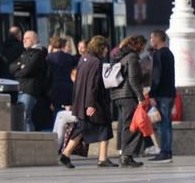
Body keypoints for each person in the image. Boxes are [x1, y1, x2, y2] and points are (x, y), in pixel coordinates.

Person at [65, 35, 114, 167]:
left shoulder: (83, 59)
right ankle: (102, 159)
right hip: (94, 101)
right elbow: (93, 84)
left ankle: (66, 154)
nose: (106, 51)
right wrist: (91, 104)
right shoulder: (96, 62)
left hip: (81, 101)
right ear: (100, 48)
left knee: (82, 128)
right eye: (105, 48)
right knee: (105, 126)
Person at [110, 34, 150, 167]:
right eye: (143, 45)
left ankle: (125, 155)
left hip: (118, 95)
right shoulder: (132, 57)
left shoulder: (120, 56)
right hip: (128, 96)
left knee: (125, 125)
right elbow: (133, 79)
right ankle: (126, 157)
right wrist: (140, 97)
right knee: (132, 126)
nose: (143, 49)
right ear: (138, 45)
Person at [147, 30, 176, 161]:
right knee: (167, 123)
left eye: (152, 37)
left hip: (162, 94)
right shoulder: (169, 53)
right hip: (170, 93)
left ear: (158, 39)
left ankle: (164, 151)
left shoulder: (158, 54)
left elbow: (156, 76)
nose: (151, 40)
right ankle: (167, 151)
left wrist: (152, 94)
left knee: (163, 124)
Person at [12, 30, 49, 131]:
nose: (24, 40)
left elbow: (27, 71)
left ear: (35, 40)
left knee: (25, 116)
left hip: (29, 90)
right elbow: (11, 67)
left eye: (27, 38)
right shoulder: (25, 53)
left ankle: (29, 138)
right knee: (22, 117)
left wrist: (17, 72)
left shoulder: (38, 53)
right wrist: (20, 66)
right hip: (21, 89)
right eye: (23, 38)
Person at [46, 35, 78, 113]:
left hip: (54, 88)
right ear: (63, 45)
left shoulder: (49, 57)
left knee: (57, 111)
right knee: (69, 111)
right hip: (68, 87)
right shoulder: (69, 57)